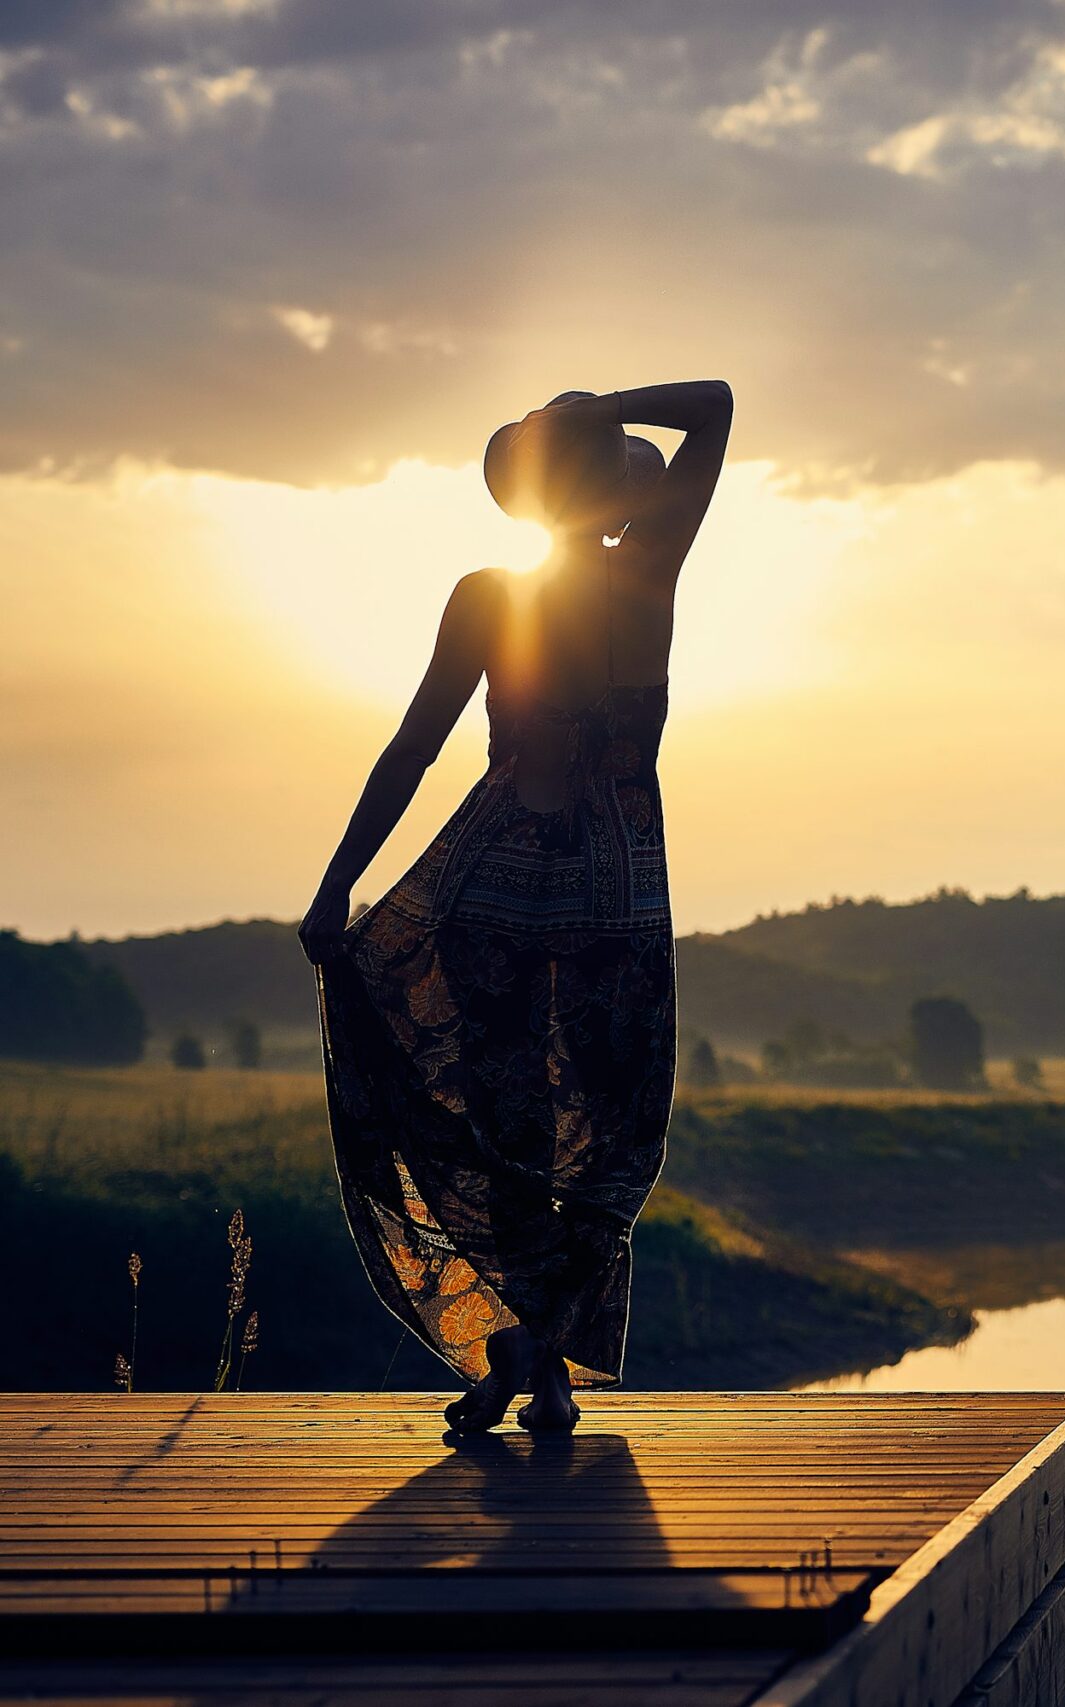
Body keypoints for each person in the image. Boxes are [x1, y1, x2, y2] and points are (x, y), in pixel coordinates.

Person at [298, 381, 733, 1434]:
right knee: (609, 1149)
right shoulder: (646, 576)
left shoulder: (496, 592)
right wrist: (593, 399)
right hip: (606, 905)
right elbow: (713, 406)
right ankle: (536, 1362)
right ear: (595, 486)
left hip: (496, 895)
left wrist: (339, 879)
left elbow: (414, 748)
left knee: (516, 1146)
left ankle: (526, 1360)